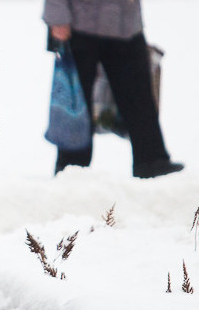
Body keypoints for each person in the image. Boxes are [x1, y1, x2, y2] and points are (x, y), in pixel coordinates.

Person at [43, 0, 184, 178]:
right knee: (77, 103)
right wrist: (57, 15)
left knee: (139, 95)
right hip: (80, 23)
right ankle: (72, 171)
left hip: (126, 23)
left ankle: (152, 162)